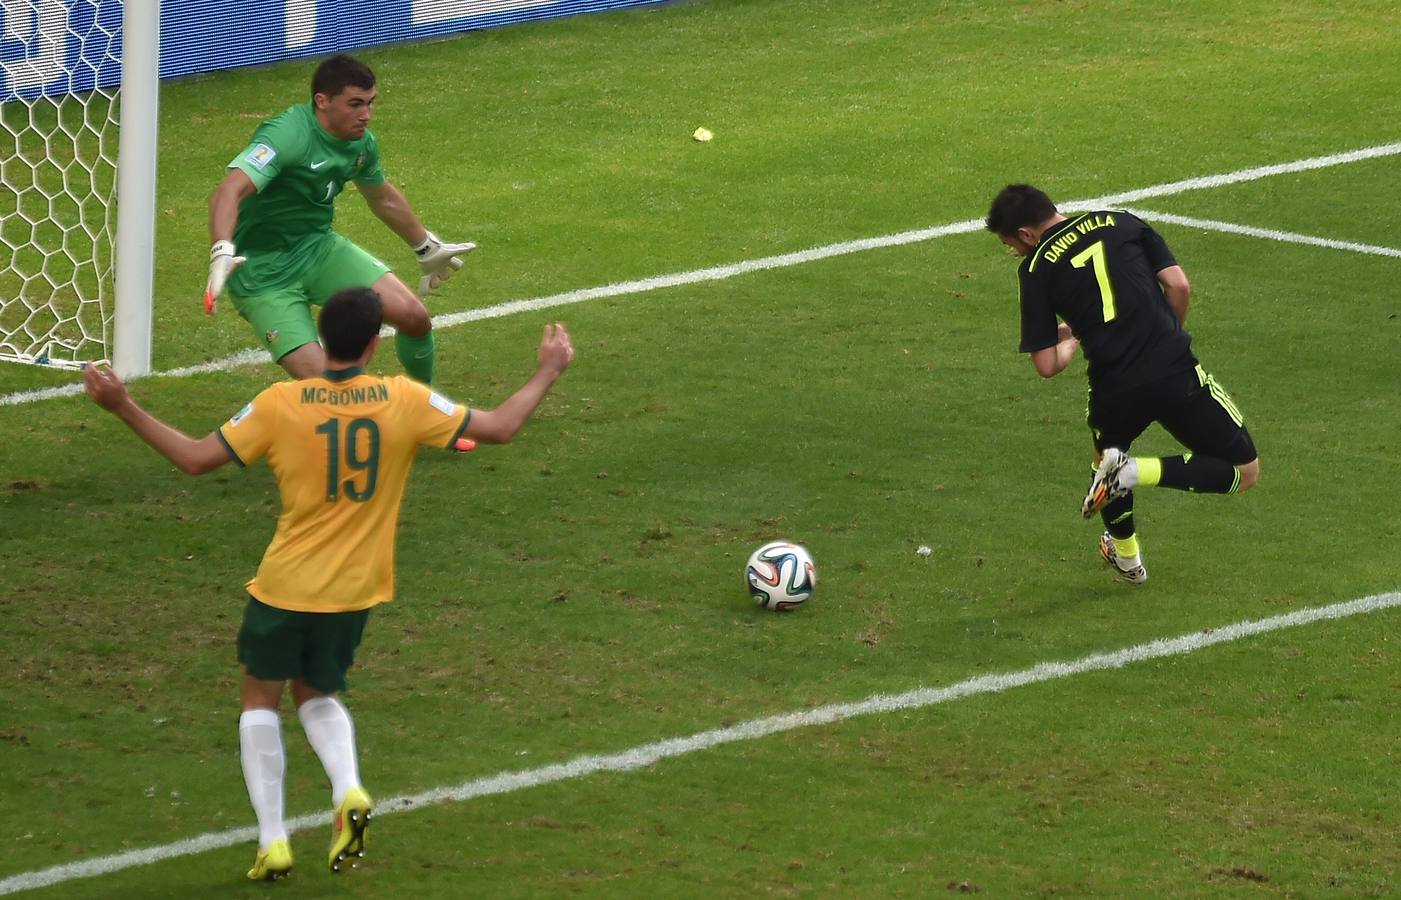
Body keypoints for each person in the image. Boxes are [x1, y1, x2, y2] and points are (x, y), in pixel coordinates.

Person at [85, 287, 575, 880]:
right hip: (356, 592)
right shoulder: (404, 399)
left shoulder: (280, 403)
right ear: (375, 343)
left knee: (259, 701)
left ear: (321, 339)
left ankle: (273, 840)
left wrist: (121, 406)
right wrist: (547, 370)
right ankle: (347, 788)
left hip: (285, 586)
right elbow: (499, 427)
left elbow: (193, 458)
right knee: (316, 693)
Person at [985, 184, 1259, 584]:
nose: (1015, 252)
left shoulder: (1035, 269)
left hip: (1114, 388)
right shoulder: (1120, 220)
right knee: (1243, 471)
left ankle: (1129, 560)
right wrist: (1165, 335)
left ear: (1027, 234)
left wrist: (1076, 334)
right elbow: (1178, 286)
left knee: (1104, 459)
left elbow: (1047, 364)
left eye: (1012, 244)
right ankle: (1137, 472)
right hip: (1174, 370)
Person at [205, 53, 475, 390]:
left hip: (317, 249)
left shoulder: (360, 142)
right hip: (262, 275)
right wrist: (221, 251)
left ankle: (426, 409)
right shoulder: (287, 135)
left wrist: (425, 247)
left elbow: (382, 197)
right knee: (332, 388)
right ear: (322, 101)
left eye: (371, 103)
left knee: (415, 318)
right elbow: (227, 193)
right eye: (355, 104)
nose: (366, 115)